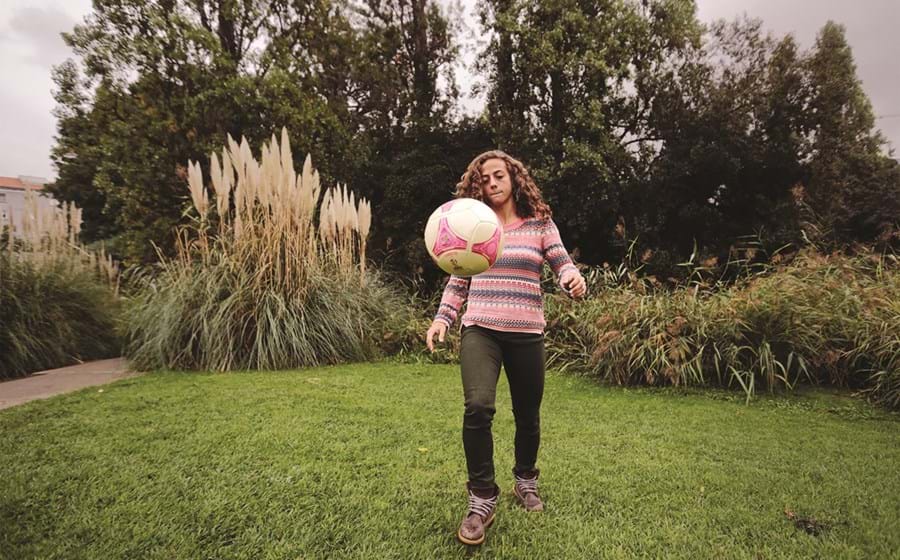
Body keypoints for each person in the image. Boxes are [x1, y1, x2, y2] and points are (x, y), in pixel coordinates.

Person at [425, 150, 586, 545]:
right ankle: (481, 497)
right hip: (481, 329)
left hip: (527, 332)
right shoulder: (471, 224)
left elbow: (562, 263)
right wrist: (443, 317)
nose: (492, 183)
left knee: (527, 414)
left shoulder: (540, 224)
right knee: (478, 406)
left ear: (514, 178)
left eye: (499, 176)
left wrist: (572, 279)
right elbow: (458, 279)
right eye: (485, 179)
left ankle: (525, 480)